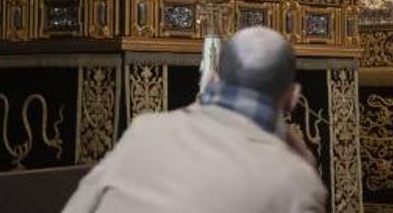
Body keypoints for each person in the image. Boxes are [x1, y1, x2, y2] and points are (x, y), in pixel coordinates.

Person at [62, 27, 326, 213]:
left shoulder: (145, 130)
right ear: (292, 97)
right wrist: (302, 167)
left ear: (211, 79)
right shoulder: (295, 181)